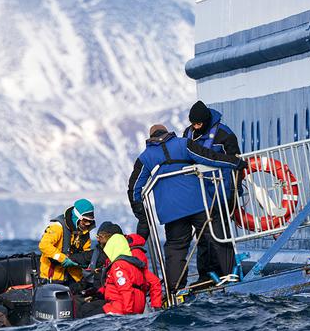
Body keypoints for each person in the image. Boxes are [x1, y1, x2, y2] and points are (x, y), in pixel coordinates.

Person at [127, 124, 244, 292]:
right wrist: (235, 162)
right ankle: (233, 277)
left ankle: (174, 290)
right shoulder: (183, 144)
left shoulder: (145, 157)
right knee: (218, 237)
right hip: (198, 203)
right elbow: (209, 157)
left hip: (170, 212)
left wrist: (140, 212)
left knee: (176, 248)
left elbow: (134, 188)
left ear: (151, 137)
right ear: (167, 133)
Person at [183, 100, 241, 277]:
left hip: (220, 192)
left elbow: (236, 162)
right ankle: (205, 274)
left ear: (206, 121)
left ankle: (226, 272)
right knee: (202, 236)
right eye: (193, 123)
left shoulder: (224, 134)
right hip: (199, 194)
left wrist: (234, 192)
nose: (196, 126)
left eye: (198, 123)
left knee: (220, 233)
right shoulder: (188, 134)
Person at [77, 233, 162, 318]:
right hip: (137, 307)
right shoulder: (137, 265)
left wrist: (128, 314)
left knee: (84, 315)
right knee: (86, 308)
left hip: (119, 308)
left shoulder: (118, 265)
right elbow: (155, 282)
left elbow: (126, 289)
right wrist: (157, 307)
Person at [38, 198, 96, 285]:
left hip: (75, 278)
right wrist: (62, 259)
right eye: (85, 220)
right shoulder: (58, 227)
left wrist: (86, 263)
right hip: (52, 278)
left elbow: (86, 252)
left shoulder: (84, 232)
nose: (87, 224)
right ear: (77, 217)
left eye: (90, 221)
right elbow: (44, 245)